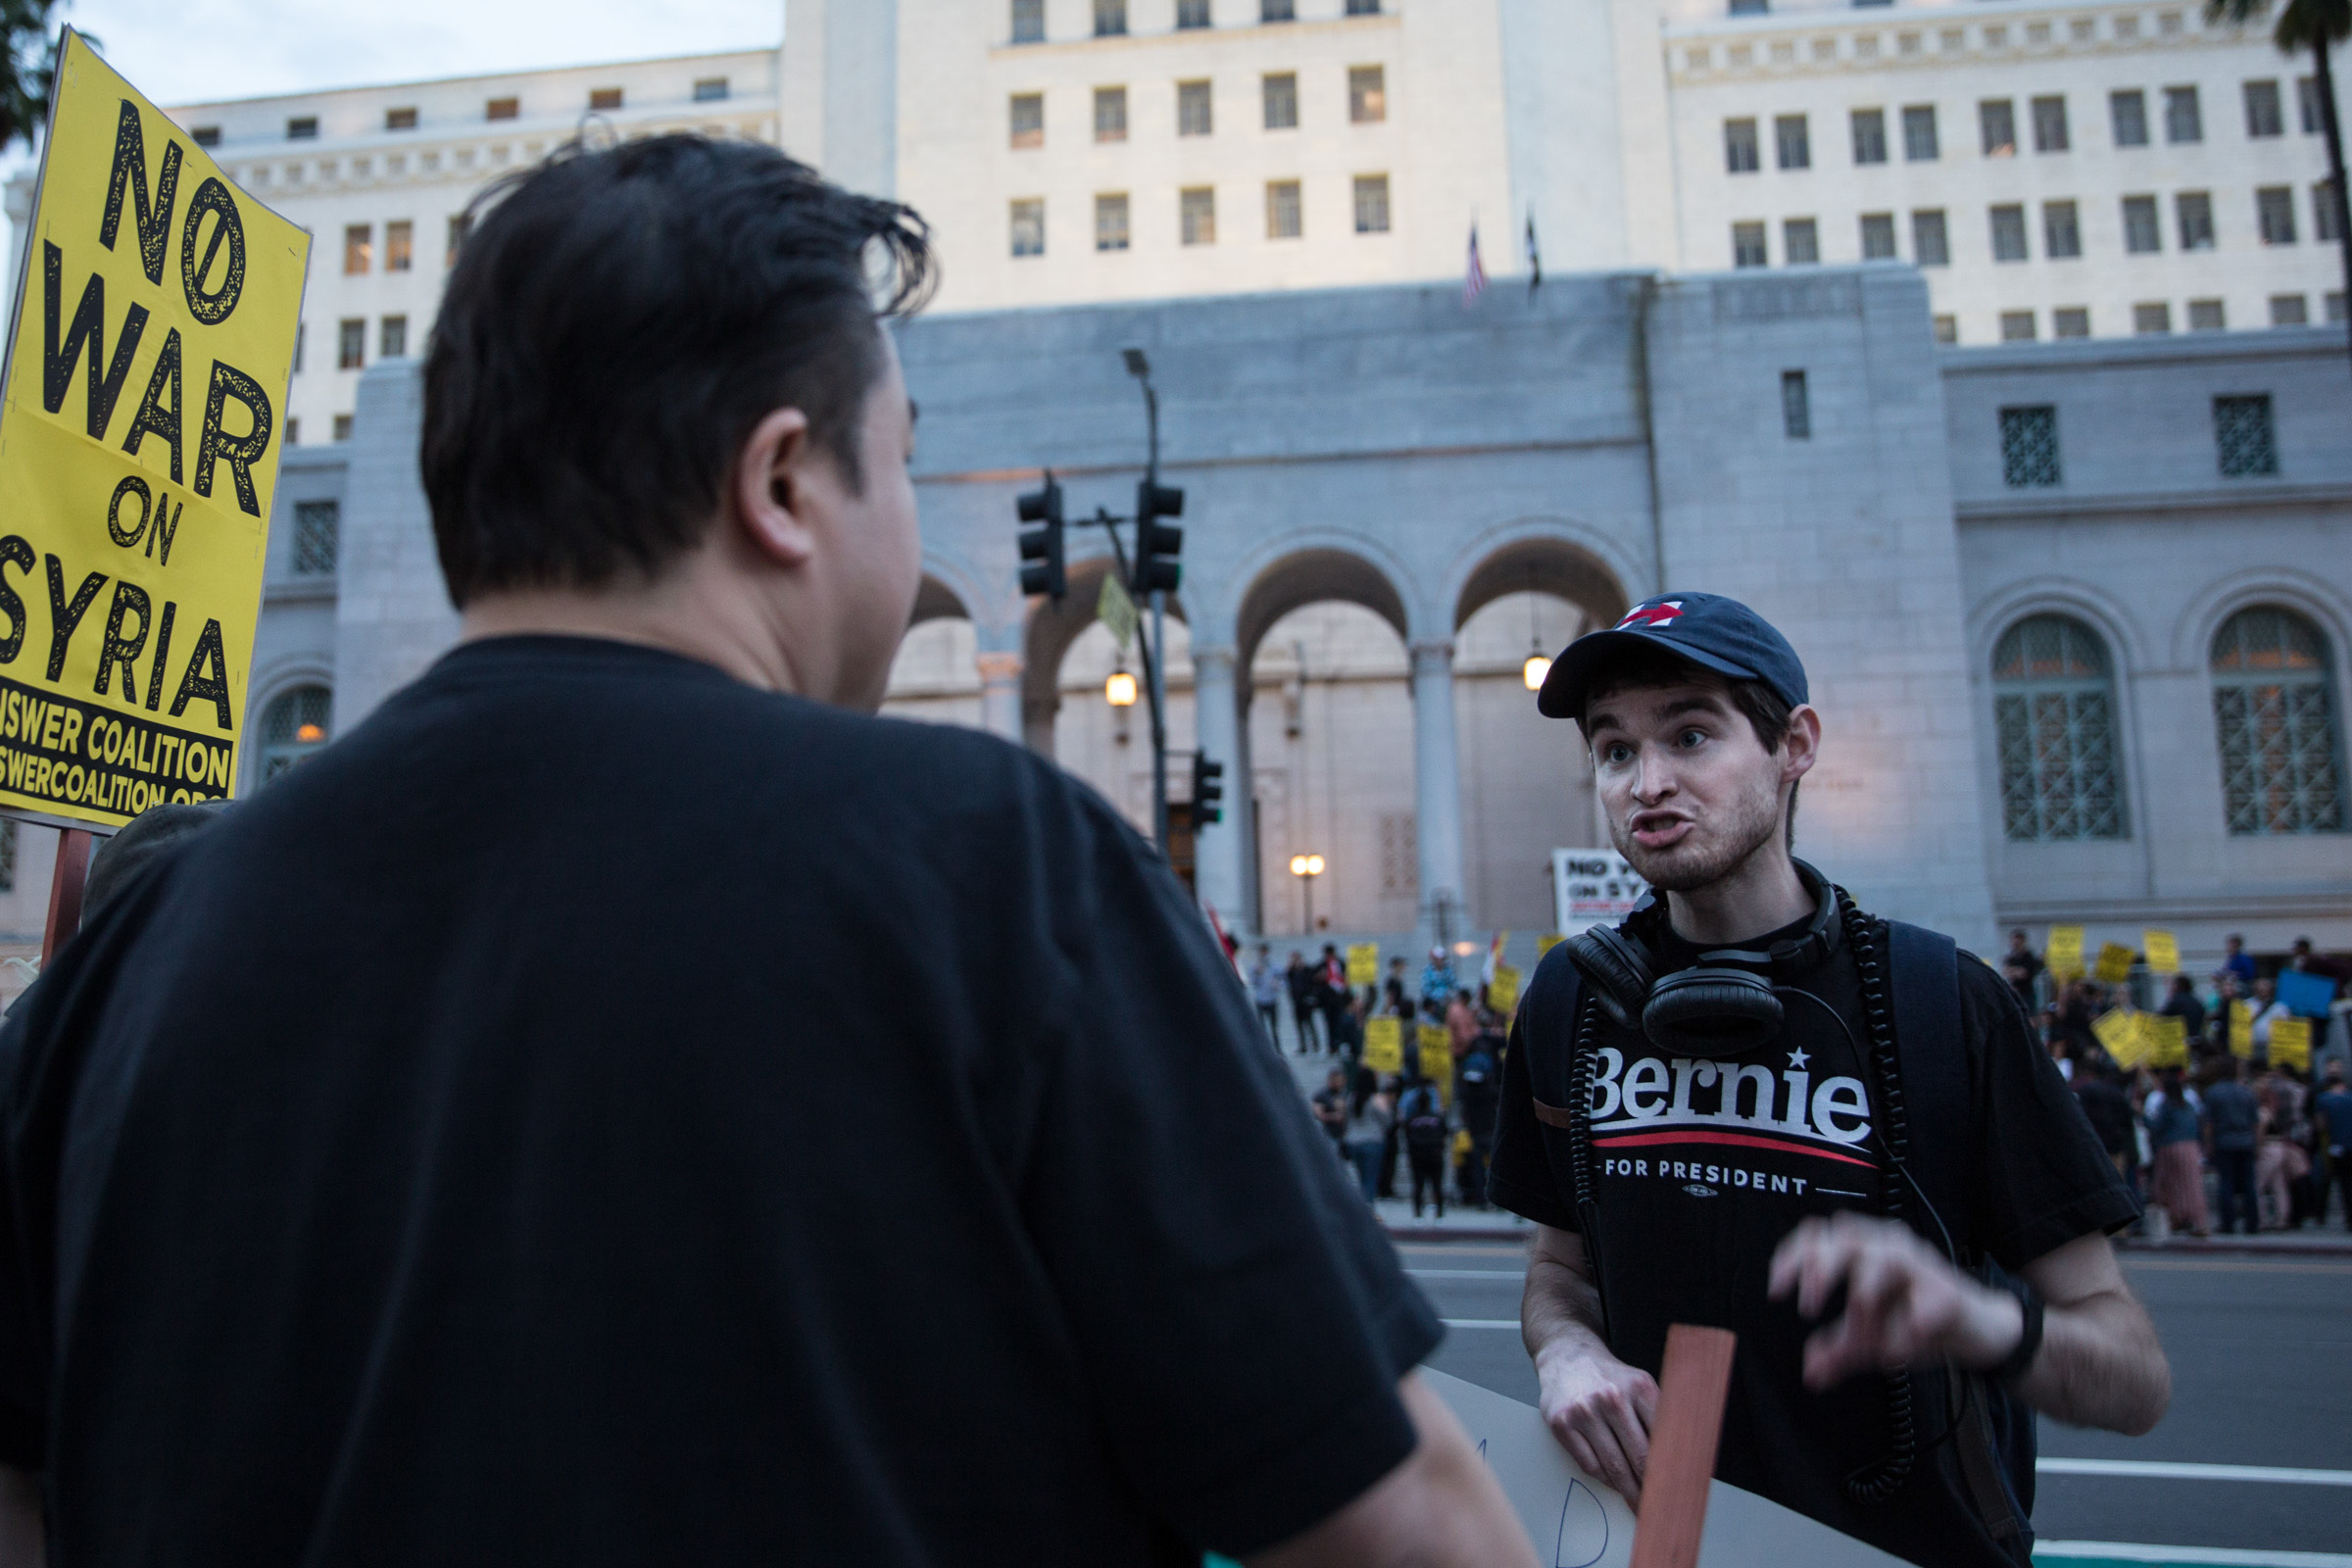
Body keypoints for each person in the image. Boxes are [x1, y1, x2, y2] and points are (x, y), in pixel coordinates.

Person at [0, 138, 1533, 1567]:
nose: (913, 526)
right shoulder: (996, 872)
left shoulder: (132, 949)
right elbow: (1406, 1530)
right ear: (785, 482)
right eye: (905, 461)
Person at [1491, 592, 2168, 1568]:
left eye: (1691, 734)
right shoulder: (1570, 1001)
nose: (1647, 783)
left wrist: (1973, 1319)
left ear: (1795, 743)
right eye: (1616, 750)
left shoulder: (1946, 1003)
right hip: (1664, 1540)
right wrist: (1565, 1349)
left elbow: (2134, 1376)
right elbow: (1558, 1274)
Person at [2144, 1067, 2209, 1238]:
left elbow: (2156, 1127)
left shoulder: (2167, 1105)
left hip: (2170, 1146)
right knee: (2191, 1184)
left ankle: (2176, 1218)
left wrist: (2143, 1117)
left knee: (2168, 1184)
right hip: (2191, 1146)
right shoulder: (2187, 1105)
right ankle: (2197, 1221)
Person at [2201, 1058, 2262, 1236]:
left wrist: (2208, 1144)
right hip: (2246, 1142)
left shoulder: (2213, 1092)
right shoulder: (2247, 1092)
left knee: (2225, 1183)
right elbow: (2255, 1123)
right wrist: (2256, 1144)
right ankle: (2252, 1224)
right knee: (2249, 1184)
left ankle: (2228, 1223)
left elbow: (2208, 1124)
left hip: (2224, 1141)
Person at [1398, 1076, 1449, 1220]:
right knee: (1437, 1184)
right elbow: (1445, 1132)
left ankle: (1418, 1213)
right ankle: (1439, 1212)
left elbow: (1406, 1135)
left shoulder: (1412, 1120)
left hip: (1417, 1155)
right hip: (1435, 1154)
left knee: (1418, 1184)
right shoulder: (1437, 1118)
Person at [1341, 1065, 1393, 1203]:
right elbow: (1387, 1121)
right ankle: (1368, 1209)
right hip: (1372, 1141)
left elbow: (1345, 1120)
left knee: (1361, 1177)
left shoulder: (1351, 1098)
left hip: (1352, 1141)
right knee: (1370, 1179)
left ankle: (1361, 1205)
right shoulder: (1376, 1099)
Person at [2317, 1064, 2352, 1229]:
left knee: (2329, 1180)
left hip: (2334, 1145)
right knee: (2348, 1183)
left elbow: (2321, 1124)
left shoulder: (2323, 1099)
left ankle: (2320, 1215)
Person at [1288, 949, 1324, 1054]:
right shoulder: (1292, 971)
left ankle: (1315, 1044)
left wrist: (1312, 996)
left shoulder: (1307, 970)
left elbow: (1314, 982)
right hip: (1297, 1002)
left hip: (1306, 1001)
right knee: (1299, 1026)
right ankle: (1303, 1046)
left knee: (1310, 1024)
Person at [1249, 943, 1285, 1046]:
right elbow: (1252, 982)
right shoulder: (1254, 967)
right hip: (1260, 999)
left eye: (1264, 951)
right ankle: (1263, 1046)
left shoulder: (1275, 966)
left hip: (1272, 999)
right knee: (1261, 1026)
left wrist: (1278, 985)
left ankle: (1277, 1047)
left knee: (1274, 1027)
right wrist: (1256, 973)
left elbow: (1283, 981)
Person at [2157, 975, 2206, 1046]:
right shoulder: (2197, 1001)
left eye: (2173, 984)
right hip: (2197, 1040)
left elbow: (2161, 1016)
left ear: (2177, 986)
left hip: (2181, 1041)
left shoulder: (2176, 1001)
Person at [2002, 930, 2043, 1005]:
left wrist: (2013, 971)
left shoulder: (2029, 957)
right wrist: (2016, 971)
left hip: (2027, 993)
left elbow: (2024, 973)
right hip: (2014, 992)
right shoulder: (2011, 958)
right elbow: (2005, 972)